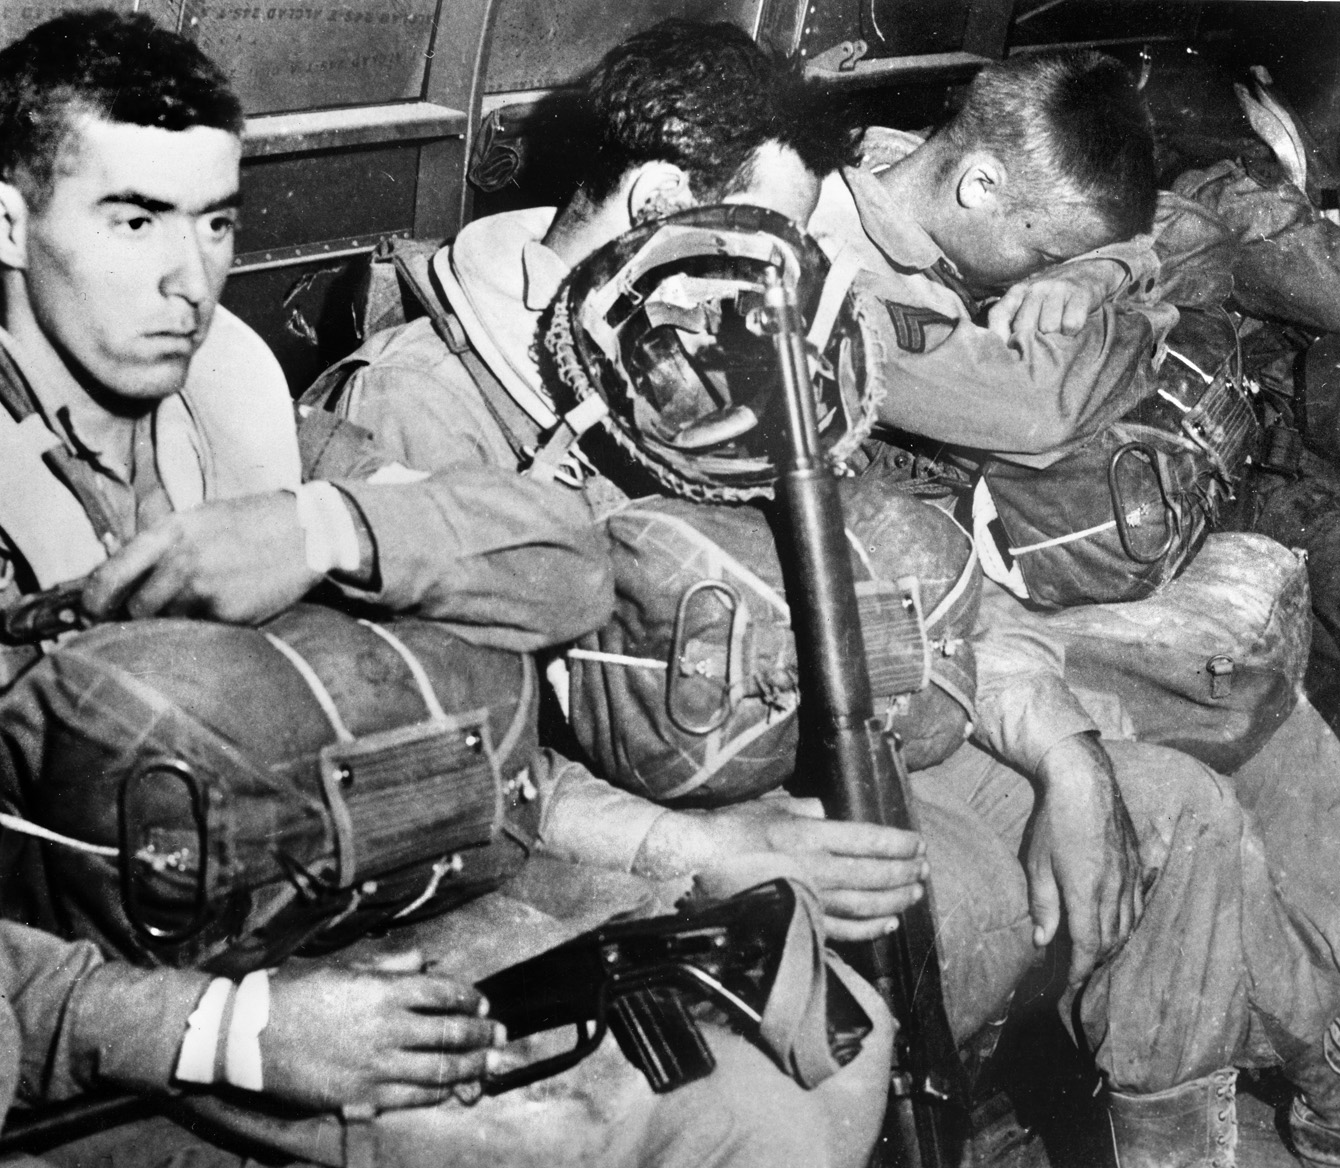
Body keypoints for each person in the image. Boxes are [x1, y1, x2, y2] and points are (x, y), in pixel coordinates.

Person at [0, 10, 898, 1167]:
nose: (189, 281)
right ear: (5, 220)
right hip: (122, 1014)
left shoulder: (236, 424)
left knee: (820, 1052)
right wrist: (233, 1032)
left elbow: (567, 567)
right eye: (132, 221)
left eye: (217, 223)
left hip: (351, 909)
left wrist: (325, 527)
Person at [321, 26, 1340, 1168]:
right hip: (640, 823)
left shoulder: (726, 346)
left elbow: (919, 590)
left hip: (842, 736)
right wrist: (699, 842)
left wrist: (1061, 754)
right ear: (659, 197)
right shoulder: (430, 403)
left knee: (1171, 810)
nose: (794, 280)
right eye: (765, 235)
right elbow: (444, 772)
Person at [799, 48, 1340, 1166]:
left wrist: (1095, 275)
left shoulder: (934, 190)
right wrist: (1119, 299)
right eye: (1047, 246)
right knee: (1213, 754)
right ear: (983, 190)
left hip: (985, 587)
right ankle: (1303, 1062)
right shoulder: (826, 276)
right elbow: (1038, 406)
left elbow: (1174, 235)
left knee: (1271, 715)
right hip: (920, 634)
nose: (1049, 263)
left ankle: (1330, 1050)